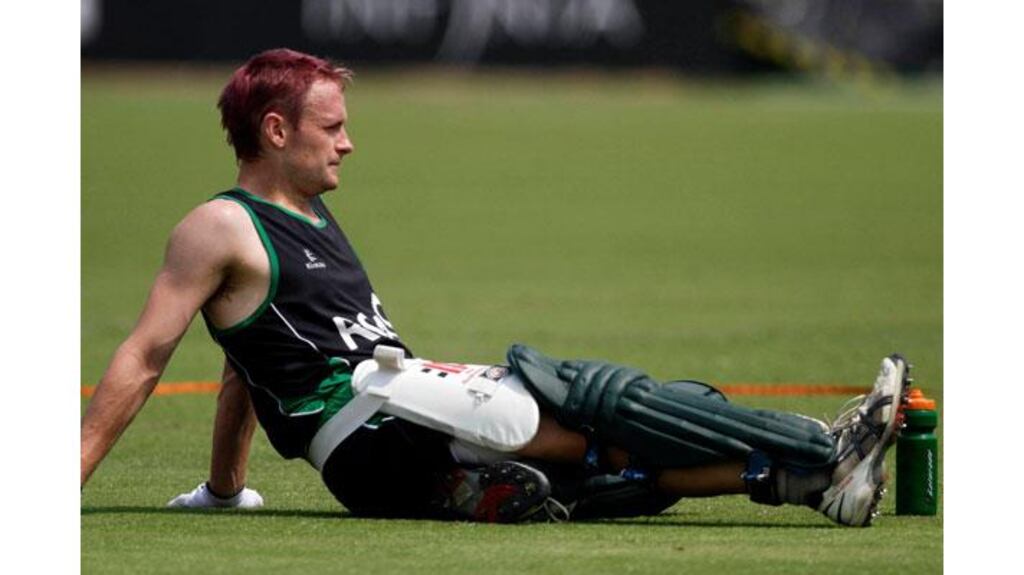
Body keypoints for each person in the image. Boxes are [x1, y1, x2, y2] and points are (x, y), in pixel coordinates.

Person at [81, 48, 911, 527]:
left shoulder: (305, 217)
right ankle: (821, 447)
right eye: (332, 127)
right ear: (275, 130)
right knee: (594, 399)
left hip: (397, 410)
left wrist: (226, 489)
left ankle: (809, 485)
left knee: (602, 457)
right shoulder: (220, 226)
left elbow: (248, 364)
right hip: (373, 437)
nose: (349, 144)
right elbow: (146, 355)